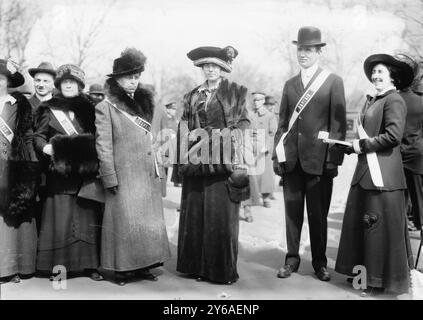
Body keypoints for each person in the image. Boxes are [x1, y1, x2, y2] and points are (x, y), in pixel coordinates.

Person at [335, 53, 414, 294]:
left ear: (393, 76)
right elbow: (366, 135)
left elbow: (393, 136)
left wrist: (362, 146)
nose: (375, 75)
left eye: (381, 71)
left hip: (383, 176)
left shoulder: (395, 100)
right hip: (365, 172)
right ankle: (363, 277)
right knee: (364, 228)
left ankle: (378, 281)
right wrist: (350, 146)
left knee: (376, 231)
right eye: (374, 72)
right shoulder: (372, 100)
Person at [273, 26, 346, 281]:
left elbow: (338, 125)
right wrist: (277, 157)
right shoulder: (289, 84)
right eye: (300, 49)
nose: (303, 54)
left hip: (319, 162)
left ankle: (319, 263)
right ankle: (291, 259)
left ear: (318, 52)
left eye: (308, 50)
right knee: (292, 215)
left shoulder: (333, 82)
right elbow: (282, 124)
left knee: (318, 216)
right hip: (292, 161)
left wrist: (333, 161)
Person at [95, 48, 171, 286]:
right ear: (116, 79)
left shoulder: (147, 103)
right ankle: (123, 270)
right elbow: (103, 145)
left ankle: (145, 266)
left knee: (146, 224)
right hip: (124, 174)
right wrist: (109, 175)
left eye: (136, 76)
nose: (133, 81)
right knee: (125, 224)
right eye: (128, 76)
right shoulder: (106, 107)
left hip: (147, 173)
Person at [176, 45, 250, 284]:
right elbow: (184, 125)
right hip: (196, 161)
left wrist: (227, 142)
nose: (210, 69)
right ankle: (195, 267)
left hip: (222, 161)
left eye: (214, 66)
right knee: (195, 214)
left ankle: (220, 270)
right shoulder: (191, 95)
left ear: (223, 68)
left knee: (221, 216)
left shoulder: (234, 93)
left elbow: (244, 123)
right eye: (206, 66)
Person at [34, 64, 103, 281]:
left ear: (80, 85)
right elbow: (37, 136)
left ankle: (89, 265)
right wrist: (46, 147)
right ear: (59, 85)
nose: (69, 85)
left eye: (72, 82)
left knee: (86, 219)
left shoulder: (91, 107)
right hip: (59, 175)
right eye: (64, 83)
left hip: (85, 175)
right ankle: (58, 267)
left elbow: (101, 137)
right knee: (61, 219)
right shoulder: (48, 108)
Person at [0, 59, 38, 284]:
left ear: (8, 81)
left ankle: (9, 267)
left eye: (2, 78)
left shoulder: (19, 104)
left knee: (9, 219)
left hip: (9, 166)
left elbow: (25, 137)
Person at [396, 55, 423, 232]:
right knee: (419, 199)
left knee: (399, 201)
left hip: (395, 155)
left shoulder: (391, 100)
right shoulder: (420, 101)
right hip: (416, 155)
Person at [250, 91, 278, 208]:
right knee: (252, 174)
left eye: (258, 100)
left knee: (266, 175)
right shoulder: (251, 115)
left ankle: (266, 197)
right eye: (254, 100)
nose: (256, 102)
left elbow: (273, 133)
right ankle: (253, 197)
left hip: (265, 149)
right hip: (251, 148)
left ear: (263, 101)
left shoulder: (270, 116)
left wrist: (267, 146)